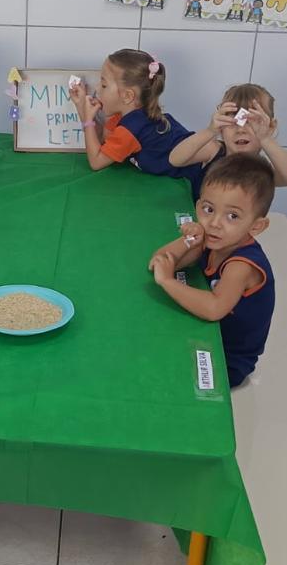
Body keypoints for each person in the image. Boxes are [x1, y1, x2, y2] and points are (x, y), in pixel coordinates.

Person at [148, 154, 275, 388]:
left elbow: (214, 308)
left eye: (232, 216)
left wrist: (167, 281)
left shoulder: (242, 266)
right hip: (203, 331)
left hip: (227, 360)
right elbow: (159, 260)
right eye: (208, 209)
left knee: (157, 373)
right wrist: (189, 240)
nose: (215, 223)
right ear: (198, 206)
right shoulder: (215, 239)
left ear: (257, 226)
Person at [69, 48, 192, 177]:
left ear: (127, 96)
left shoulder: (130, 129)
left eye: (104, 85)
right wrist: (81, 105)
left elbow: (96, 162)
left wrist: (88, 120)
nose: (97, 88)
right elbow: (102, 140)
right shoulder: (128, 116)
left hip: (194, 173)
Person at [168, 83, 287, 199]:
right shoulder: (214, 150)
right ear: (221, 128)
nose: (240, 130)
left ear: (271, 127)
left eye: (251, 122)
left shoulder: (263, 171)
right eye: (232, 122)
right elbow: (175, 159)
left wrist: (266, 139)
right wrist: (210, 131)